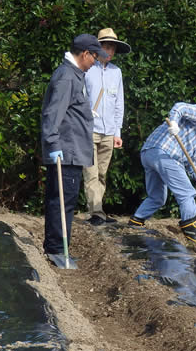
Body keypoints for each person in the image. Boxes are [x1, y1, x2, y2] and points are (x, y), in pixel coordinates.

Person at [127, 101, 196, 245]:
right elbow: (181, 107)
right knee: (187, 193)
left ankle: (136, 220)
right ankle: (190, 228)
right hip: (164, 153)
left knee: (157, 197)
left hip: (150, 153)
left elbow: (190, 160)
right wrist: (174, 123)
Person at [41, 34, 108, 261]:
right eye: (94, 57)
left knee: (64, 200)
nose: (95, 63)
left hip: (72, 150)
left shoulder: (74, 75)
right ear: (85, 54)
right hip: (66, 152)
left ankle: (56, 247)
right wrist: (52, 143)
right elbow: (52, 114)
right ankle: (57, 250)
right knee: (62, 201)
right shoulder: (67, 78)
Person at [83, 28, 131, 226]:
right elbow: (81, 97)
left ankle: (98, 211)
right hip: (89, 129)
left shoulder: (116, 72)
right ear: (98, 48)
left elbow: (119, 103)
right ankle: (95, 212)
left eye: (112, 48)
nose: (109, 51)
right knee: (91, 172)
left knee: (102, 173)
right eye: (106, 46)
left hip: (108, 131)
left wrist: (117, 132)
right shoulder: (87, 69)